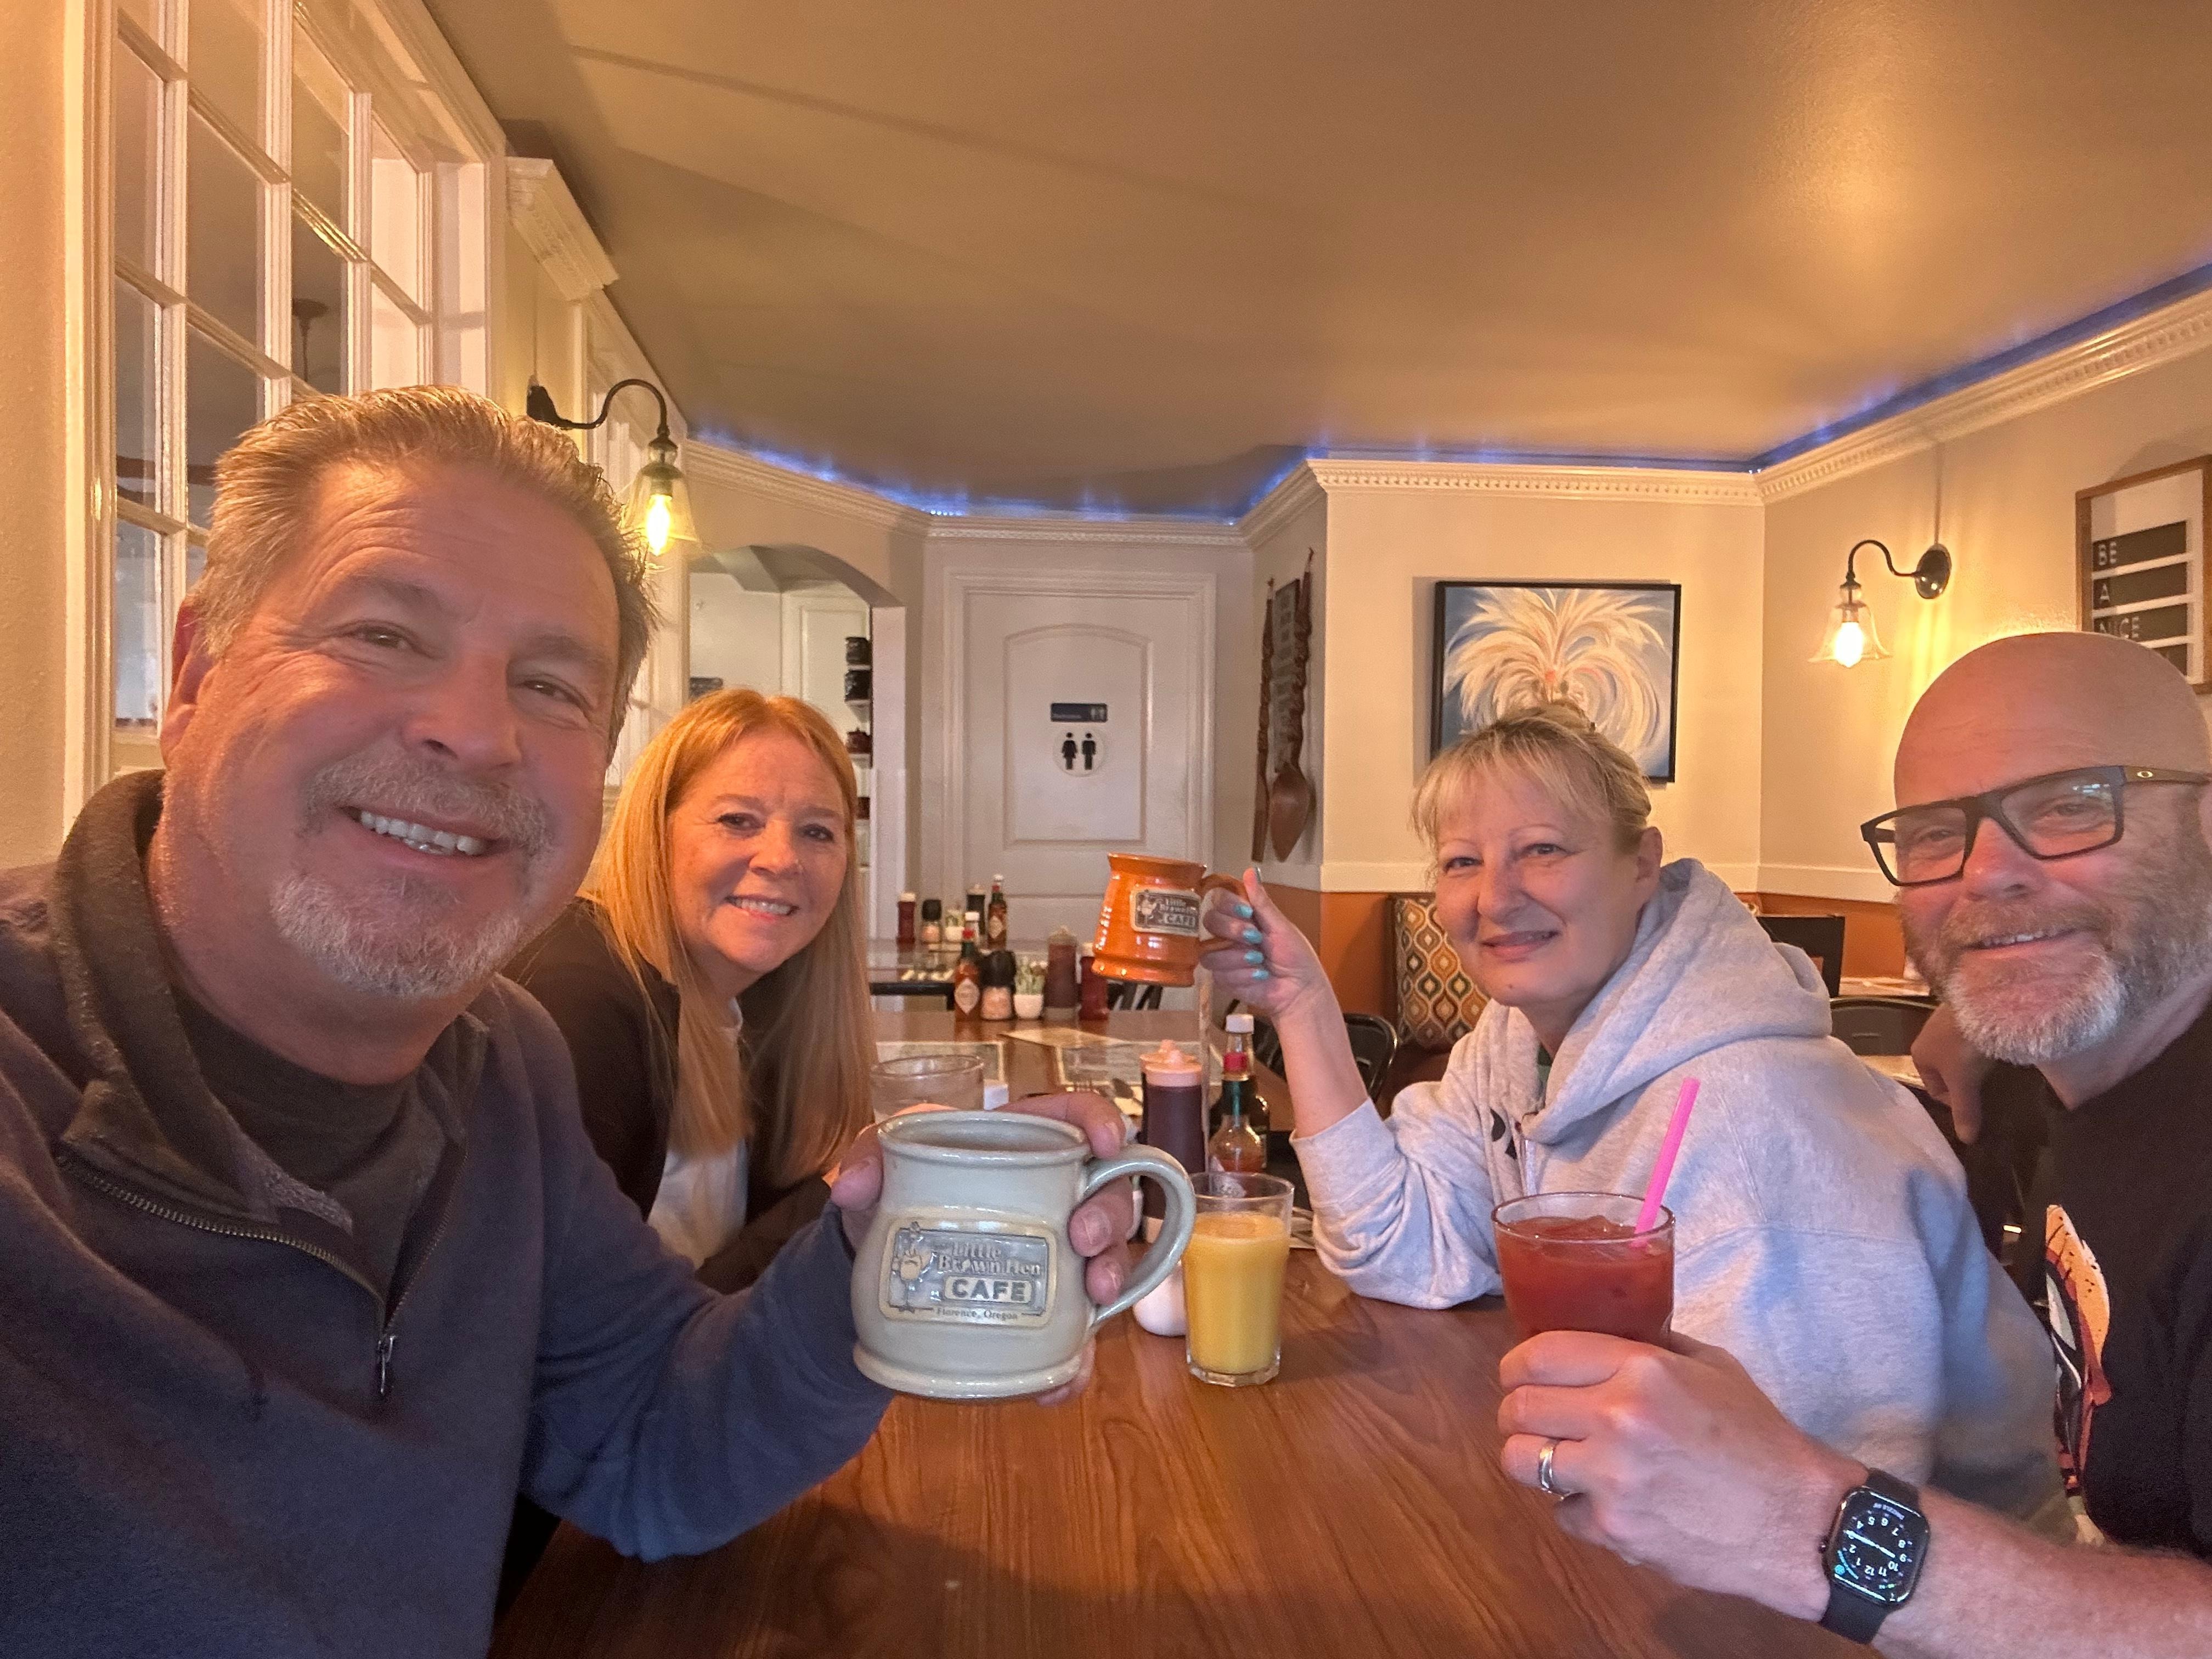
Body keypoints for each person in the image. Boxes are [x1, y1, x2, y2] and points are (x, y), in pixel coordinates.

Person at [0, 387, 1134, 1659]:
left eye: (549, 685)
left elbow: (659, 1432)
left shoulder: (503, 1065)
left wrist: (874, 1263)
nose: (475, 731)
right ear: (196, 672)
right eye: (383, 634)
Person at [1495, 633, 2212, 1654]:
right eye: (1934, 833)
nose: (1986, 873)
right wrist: (1979, 1014)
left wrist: (1805, 1522)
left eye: (2067, 805)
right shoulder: (2093, 1064)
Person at [1204, 701, 2063, 1523]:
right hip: (1637, 1507)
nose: (1494, 897)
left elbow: (1818, 1495)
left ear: (1642, 863)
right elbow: (1398, 1246)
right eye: (1461, 862)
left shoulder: (1755, 1119)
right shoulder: (1512, 1041)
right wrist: (1303, 1006)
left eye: (1542, 850)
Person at [506, 690, 871, 1293]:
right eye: (737, 821)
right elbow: (585, 1327)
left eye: (817, 832)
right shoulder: (580, 1000)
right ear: (656, 830)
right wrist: (839, 1199)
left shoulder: (757, 1002)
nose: (782, 859)